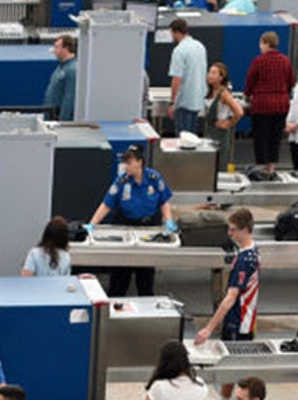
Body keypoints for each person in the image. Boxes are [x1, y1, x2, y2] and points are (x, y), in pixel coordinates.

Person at [87, 147, 174, 296]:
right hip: (124, 225)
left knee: (145, 274)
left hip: (148, 227)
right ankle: (114, 307)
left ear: (139, 162)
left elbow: (164, 201)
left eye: (129, 162)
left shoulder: (154, 178)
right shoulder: (122, 181)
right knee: (120, 274)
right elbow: (107, 204)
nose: (126, 166)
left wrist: (169, 222)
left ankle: (146, 308)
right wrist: (92, 224)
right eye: (125, 162)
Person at [196, 208, 261, 342]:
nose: (229, 234)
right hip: (246, 320)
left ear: (244, 230)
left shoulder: (244, 260)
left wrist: (208, 329)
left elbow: (231, 298)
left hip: (238, 324)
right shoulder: (253, 250)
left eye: (233, 230)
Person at [167, 20, 208, 135]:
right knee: (192, 137)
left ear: (176, 32)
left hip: (184, 101)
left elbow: (177, 79)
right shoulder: (200, 46)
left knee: (182, 138)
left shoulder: (179, 50)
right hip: (198, 99)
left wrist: (172, 103)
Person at [201, 63, 244, 172]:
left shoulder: (224, 94)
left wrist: (229, 124)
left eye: (214, 73)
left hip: (220, 136)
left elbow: (239, 112)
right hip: (209, 133)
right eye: (209, 72)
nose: (210, 75)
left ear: (221, 77)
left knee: (219, 165)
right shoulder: (210, 92)